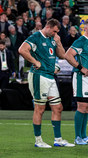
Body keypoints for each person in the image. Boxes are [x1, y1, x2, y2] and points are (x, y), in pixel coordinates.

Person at [18, 19, 75, 148]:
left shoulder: (52, 38)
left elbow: (61, 55)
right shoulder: (36, 37)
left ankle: (58, 139)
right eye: (54, 31)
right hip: (39, 76)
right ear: (48, 27)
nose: (55, 33)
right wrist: (34, 61)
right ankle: (38, 140)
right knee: (40, 108)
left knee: (58, 108)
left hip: (50, 76)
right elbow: (22, 50)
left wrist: (59, 42)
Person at [65, 18, 88, 145]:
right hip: (82, 78)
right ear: (85, 28)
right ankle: (77, 137)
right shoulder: (81, 41)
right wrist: (81, 68)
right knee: (82, 106)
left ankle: (84, 136)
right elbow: (68, 55)